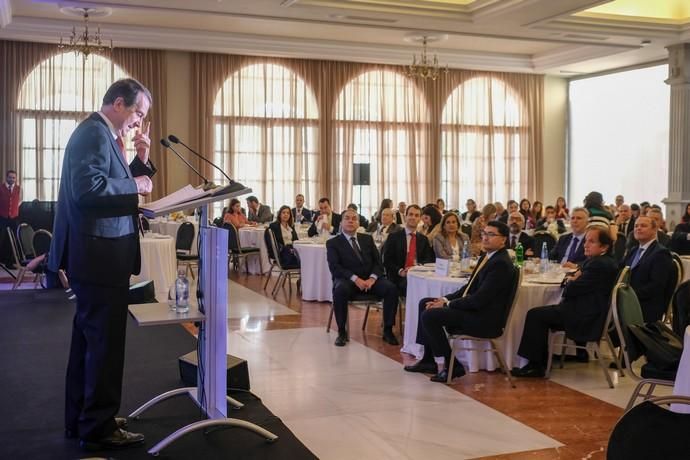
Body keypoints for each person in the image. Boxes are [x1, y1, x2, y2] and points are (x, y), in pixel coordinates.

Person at [48, 79, 156, 450]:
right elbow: (90, 190)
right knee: (104, 346)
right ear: (120, 103)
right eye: (138, 114)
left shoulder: (102, 135)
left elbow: (112, 182)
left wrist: (140, 165)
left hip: (100, 256)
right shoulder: (94, 133)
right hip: (100, 257)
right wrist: (138, 183)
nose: (138, 122)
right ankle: (99, 427)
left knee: (90, 343)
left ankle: (84, 417)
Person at [404, 221, 514, 382]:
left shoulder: (501, 264)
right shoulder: (488, 257)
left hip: (485, 319)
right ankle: (428, 360)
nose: (485, 238)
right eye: (484, 233)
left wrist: (448, 304)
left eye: (491, 234)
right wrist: (444, 299)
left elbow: (479, 300)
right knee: (425, 303)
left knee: (430, 316)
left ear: (503, 240)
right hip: (477, 311)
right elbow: (468, 288)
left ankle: (453, 365)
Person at [511, 226, 619, 378]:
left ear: (604, 246)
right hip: (586, 309)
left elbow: (571, 289)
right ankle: (538, 362)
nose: (585, 245)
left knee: (535, 315)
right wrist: (574, 277)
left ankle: (535, 365)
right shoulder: (601, 261)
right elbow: (574, 283)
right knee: (540, 314)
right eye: (586, 241)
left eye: (591, 242)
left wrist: (571, 280)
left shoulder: (599, 265)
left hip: (585, 315)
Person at [326, 209, 400, 346]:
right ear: (341, 222)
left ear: (358, 223)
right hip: (348, 281)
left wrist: (372, 279)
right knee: (339, 290)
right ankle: (342, 331)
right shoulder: (333, 243)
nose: (350, 221)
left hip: (370, 281)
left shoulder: (367, 238)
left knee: (391, 289)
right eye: (347, 218)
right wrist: (356, 279)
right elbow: (335, 268)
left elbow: (378, 263)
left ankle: (388, 330)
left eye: (354, 218)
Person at [623, 216, 675, 323]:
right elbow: (620, 271)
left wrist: (630, 297)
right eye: (636, 226)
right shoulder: (634, 250)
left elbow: (656, 286)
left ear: (654, 230)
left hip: (646, 305)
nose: (638, 228)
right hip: (629, 300)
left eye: (643, 226)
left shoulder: (661, 253)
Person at [382, 204, 435, 295]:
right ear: (406, 217)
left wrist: (417, 268)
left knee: (433, 286)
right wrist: (401, 271)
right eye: (410, 214)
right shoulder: (394, 237)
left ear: (420, 219)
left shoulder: (423, 239)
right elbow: (387, 260)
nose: (413, 218)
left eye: (416, 215)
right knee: (412, 286)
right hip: (399, 276)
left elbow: (429, 259)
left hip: (419, 275)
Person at [0, 170, 20, 266]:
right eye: (10, 177)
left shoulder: (19, 188)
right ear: (6, 178)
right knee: (1, 238)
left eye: (13, 177)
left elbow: (19, 201)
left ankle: (10, 261)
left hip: (14, 218)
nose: (12, 179)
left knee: (13, 239)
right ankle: (1, 259)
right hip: (2, 217)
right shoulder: (1, 188)